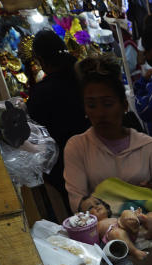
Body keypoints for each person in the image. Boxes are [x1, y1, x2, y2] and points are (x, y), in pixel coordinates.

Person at [63, 55, 152, 211]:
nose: (100, 113)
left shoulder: (149, 147)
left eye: (108, 104)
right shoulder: (77, 147)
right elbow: (78, 202)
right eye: (91, 105)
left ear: (124, 105)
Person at [27, 29, 88, 212]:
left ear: (41, 61)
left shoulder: (41, 93)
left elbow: (36, 138)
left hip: (65, 168)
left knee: (83, 217)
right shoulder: (83, 77)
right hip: (94, 155)